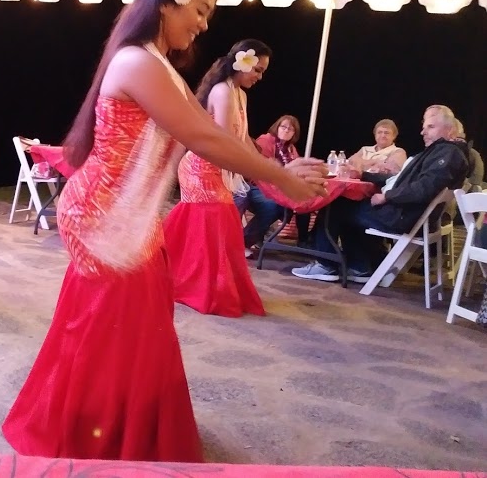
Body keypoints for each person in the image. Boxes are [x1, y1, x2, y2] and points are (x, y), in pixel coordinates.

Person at [1, 0, 326, 462]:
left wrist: (276, 172)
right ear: (167, 1)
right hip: (104, 218)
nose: (203, 24)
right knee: (114, 329)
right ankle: (91, 436)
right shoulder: (137, 62)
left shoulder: (157, 65)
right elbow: (203, 137)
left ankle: (119, 427)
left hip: (131, 217)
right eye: (200, 10)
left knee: (138, 326)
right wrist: (279, 177)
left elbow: (210, 134)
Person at [292, 106, 469, 283]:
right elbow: (399, 179)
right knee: (349, 205)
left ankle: (325, 265)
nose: (423, 132)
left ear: (450, 130)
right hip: (405, 214)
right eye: (424, 127)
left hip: (400, 216)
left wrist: (387, 196)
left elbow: (424, 188)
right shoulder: (442, 151)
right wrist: (363, 175)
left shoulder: (449, 153)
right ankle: (359, 267)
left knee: (334, 205)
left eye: (431, 127)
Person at [162, 39, 273, 317]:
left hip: (216, 166)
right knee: (214, 219)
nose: (260, 77)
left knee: (218, 220)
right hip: (200, 168)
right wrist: (258, 168)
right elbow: (224, 140)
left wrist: (265, 166)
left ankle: (186, 277)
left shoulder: (240, 95)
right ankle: (196, 284)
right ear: (242, 64)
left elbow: (242, 138)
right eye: (257, 70)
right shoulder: (222, 91)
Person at [238, 115, 314, 252]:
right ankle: (243, 242)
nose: (286, 130)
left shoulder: (290, 149)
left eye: (291, 129)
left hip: (279, 188)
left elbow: (296, 171)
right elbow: (261, 169)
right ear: (276, 127)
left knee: (304, 201)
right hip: (258, 185)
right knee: (273, 206)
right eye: (283, 127)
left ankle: (304, 241)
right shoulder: (265, 141)